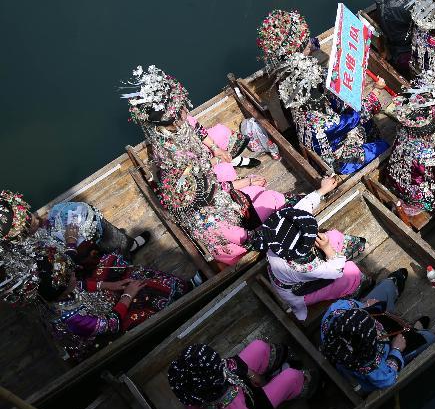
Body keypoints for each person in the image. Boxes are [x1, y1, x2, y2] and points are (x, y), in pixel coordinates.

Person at [32, 243, 188, 362]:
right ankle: (184, 301)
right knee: (143, 293)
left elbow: (81, 284)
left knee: (117, 266)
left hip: (93, 307)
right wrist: (127, 296)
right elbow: (112, 324)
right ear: (63, 289)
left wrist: (108, 285)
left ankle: (178, 289)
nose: (74, 275)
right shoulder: (73, 320)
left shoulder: (58, 293)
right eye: (71, 276)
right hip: (103, 336)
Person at [121, 65, 272, 178]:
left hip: (200, 150)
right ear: (173, 121)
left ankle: (229, 158)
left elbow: (198, 129)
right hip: (196, 169)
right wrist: (216, 161)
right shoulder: (167, 148)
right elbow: (190, 171)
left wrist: (215, 148)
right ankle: (232, 163)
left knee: (221, 131)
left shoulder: (182, 121)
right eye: (181, 109)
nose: (186, 109)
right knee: (226, 172)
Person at [253, 179, 370, 322]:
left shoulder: (281, 231)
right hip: (299, 291)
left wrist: (322, 190)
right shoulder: (304, 266)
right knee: (350, 272)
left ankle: (346, 251)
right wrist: (327, 249)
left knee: (331, 236)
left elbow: (304, 205)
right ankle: (353, 287)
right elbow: (335, 271)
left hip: (285, 274)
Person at [320, 268, 435, 392]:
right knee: (430, 338)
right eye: (375, 329)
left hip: (367, 319)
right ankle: (418, 331)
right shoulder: (369, 366)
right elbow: (388, 379)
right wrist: (396, 350)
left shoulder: (336, 313)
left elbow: (354, 306)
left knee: (388, 286)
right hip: (390, 349)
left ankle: (395, 283)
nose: (377, 327)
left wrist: (366, 306)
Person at [277, 53, 388, 175]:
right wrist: (376, 91)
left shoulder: (298, 107)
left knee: (366, 122)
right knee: (382, 146)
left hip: (326, 144)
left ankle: (370, 140)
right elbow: (354, 118)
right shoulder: (324, 124)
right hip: (338, 159)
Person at [168, 341, 316, 409]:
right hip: (253, 407)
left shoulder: (188, 382)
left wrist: (248, 373)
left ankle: (277, 369)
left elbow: (225, 366)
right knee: (292, 377)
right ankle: (308, 384)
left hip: (237, 388)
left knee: (259, 347)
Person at [386, 71, 435, 216]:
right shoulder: (425, 153)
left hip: (394, 179)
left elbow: (425, 101)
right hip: (416, 196)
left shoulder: (405, 128)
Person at [1, 190, 150, 258]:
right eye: (30, 223)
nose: (32, 217)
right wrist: (71, 243)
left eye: (30, 216)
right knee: (106, 243)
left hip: (83, 244)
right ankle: (126, 249)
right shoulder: (29, 252)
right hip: (80, 261)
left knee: (99, 230)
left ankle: (122, 246)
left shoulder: (55, 214)